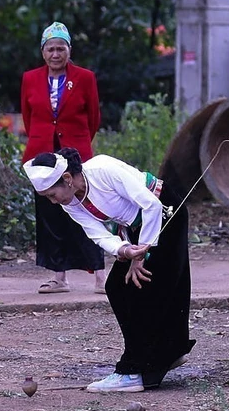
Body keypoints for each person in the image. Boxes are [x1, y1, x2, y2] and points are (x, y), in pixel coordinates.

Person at [23, 148, 194, 393]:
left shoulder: (103, 169)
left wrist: (140, 256)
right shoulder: (70, 201)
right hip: (136, 229)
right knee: (118, 287)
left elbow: (151, 206)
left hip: (165, 212)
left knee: (145, 286)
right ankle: (168, 352)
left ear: (68, 180)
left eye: (52, 194)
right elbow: (96, 232)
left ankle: (136, 370)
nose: (52, 201)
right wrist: (124, 250)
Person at [20, 22, 105, 294]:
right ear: (42, 52)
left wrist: (76, 147)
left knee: (85, 211)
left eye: (61, 48)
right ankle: (59, 277)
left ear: (69, 50)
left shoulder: (85, 78)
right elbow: (28, 116)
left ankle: (101, 277)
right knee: (50, 215)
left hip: (75, 155)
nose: (55, 54)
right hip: (42, 156)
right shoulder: (30, 79)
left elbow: (93, 118)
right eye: (50, 49)